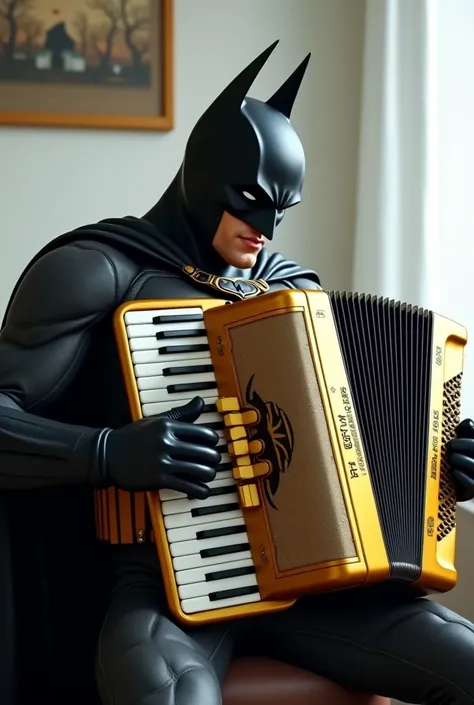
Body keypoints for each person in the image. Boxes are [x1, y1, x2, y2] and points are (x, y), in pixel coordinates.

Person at [1, 40, 474, 705]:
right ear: (202, 172)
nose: (266, 229)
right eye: (249, 199)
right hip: (163, 581)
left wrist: (442, 464)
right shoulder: (100, 270)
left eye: (282, 209)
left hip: (316, 584)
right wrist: (106, 452)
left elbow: (355, 451)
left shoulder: (294, 290)